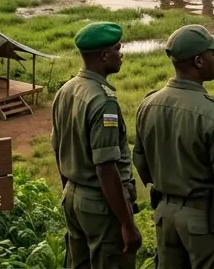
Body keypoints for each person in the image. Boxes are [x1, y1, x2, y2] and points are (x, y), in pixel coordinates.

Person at [134, 25, 214, 268]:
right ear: (198, 61)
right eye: (212, 53)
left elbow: (141, 165)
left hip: (165, 216)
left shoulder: (148, 105)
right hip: (204, 222)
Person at [52, 22, 141, 269]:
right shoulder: (103, 102)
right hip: (100, 203)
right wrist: (126, 223)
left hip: (72, 194)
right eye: (117, 48)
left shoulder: (66, 90)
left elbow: (57, 147)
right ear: (103, 56)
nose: (121, 54)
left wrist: (69, 189)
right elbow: (106, 168)